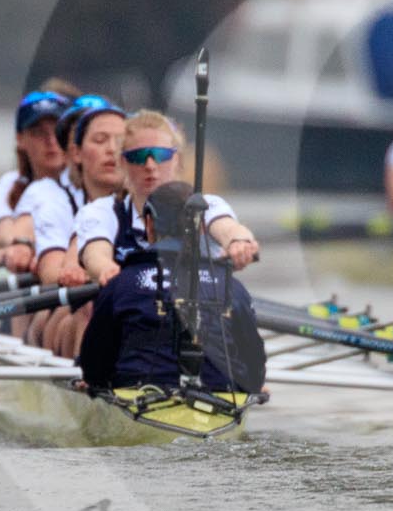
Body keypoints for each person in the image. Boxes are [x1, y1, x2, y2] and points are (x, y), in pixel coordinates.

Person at [77, 181, 267, 397]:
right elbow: (255, 368)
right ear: (202, 228)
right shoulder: (232, 288)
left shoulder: (121, 285)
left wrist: (97, 385)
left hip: (140, 396)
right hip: (221, 399)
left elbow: (93, 366)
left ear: (149, 224)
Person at [69, 109, 260, 286]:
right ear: (122, 162)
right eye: (138, 156)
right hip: (129, 309)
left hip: (194, 313)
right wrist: (105, 269)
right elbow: (95, 252)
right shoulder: (102, 211)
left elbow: (229, 229)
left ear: (177, 160)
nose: (150, 165)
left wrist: (239, 243)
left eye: (161, 155)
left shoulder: (205, 204)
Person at [18, 97, 127, 350]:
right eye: (99, 140)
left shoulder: (145, 200)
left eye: (121, 141)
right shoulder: (53, 196)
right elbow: (51, 274)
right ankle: (86, 378)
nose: (112, 149)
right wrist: (76, 270)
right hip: (67, 307)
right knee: (88, 309)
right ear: (74, 151)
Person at [0, 86, 73, 274]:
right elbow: (1, 224)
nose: (51, 140)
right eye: (39, 132)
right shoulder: (9, 184)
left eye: (57, 130)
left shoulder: (87, 182)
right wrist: (19, 245)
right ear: (20, 139)